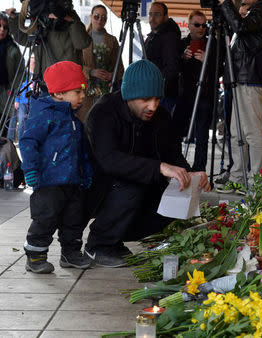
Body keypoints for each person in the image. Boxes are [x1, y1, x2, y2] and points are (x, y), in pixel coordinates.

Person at [83, 59, 210, 268]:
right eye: (145, 99)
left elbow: (173, 155)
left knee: (178, 191)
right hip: (97, 189)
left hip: (134, 187)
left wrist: (190, 174)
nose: (153, 106)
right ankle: (99, 243)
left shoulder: (161, 117)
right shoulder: (103, 113)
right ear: (129, 95)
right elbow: (109, 160)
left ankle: (117, 237)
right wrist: (159, 167)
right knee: (133, 185)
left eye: (157, 99)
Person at [19, 61, 93, 274]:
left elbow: (82, 151)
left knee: (74, 221)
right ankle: (35, 257)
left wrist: (86, 173)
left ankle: (70, 254)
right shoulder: (44, 115)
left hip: (73, 182)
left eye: (83, 91)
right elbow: (28, 141)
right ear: (59, 93)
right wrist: (30, 169)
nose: (82, 96)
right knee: (45, 219)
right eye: (77, 91)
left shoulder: (74, 121)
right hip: (49, 182)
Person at [216, 0, 262, 194]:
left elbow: (241, 27)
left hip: (250, 80)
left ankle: (255, 180)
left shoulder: (261, 11)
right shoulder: (256, 12)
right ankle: (238, 178)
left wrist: (226, 5)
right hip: (243, 79)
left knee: (252, 132)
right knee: (236, 132)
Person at [172, 10, 215, 171]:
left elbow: (221, 70)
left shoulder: (213, 43)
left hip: (204, 95)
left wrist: (207, 60)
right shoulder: (183, 43)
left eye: (204, 25)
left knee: (202, 135)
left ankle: (199, 169)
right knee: (175, 129)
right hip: (185, 94)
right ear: (189, 26)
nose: (201, 28)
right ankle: (178, 164)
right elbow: (175, 67)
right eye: (197, 24)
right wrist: (183, 57)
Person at [6, 1, 91, 81]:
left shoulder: (71, 16)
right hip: (44, 82)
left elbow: (82, 43)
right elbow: (24, 40)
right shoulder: (40, 18)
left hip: (67, 82)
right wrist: (14, 20)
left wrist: (70, 20)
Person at [78, 4, 124, 122]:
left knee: (102, 123)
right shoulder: (82, 39)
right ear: (91, 17)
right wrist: (91, 72)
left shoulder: (112, 40)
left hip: (105, 92)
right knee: (86, 123)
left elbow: (120, 69)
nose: (100, 20)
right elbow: (75, 66)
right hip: (85, 91)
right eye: (97, 16)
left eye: (103, 18)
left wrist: (111, 75)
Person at [144, 2, 181, 113]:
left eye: (157, 14)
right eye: (150, 14)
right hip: (153, 92)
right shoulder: (153, 36)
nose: (152, 18)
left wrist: (154, 84)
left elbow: (172, 68)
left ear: (166, 17)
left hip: (162, 95)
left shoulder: (169, 36)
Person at [0, 13, 24, 139]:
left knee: (3, 137)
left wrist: (13, 90)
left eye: (5, 27)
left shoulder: (13, 49)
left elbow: (21, 72)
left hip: (5, 100)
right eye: (0, 26)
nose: (2, 30)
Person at [8, 55, 35, 142]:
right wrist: (16, 100)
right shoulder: (23, 74)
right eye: (31, 62)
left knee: (30, 122)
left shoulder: (37, 75)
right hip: (22, 101)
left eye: (34, 62)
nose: (32, 63)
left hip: (33, 102)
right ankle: (20, 141)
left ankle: (27, 140)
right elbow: (17, 88)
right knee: (21, 121)